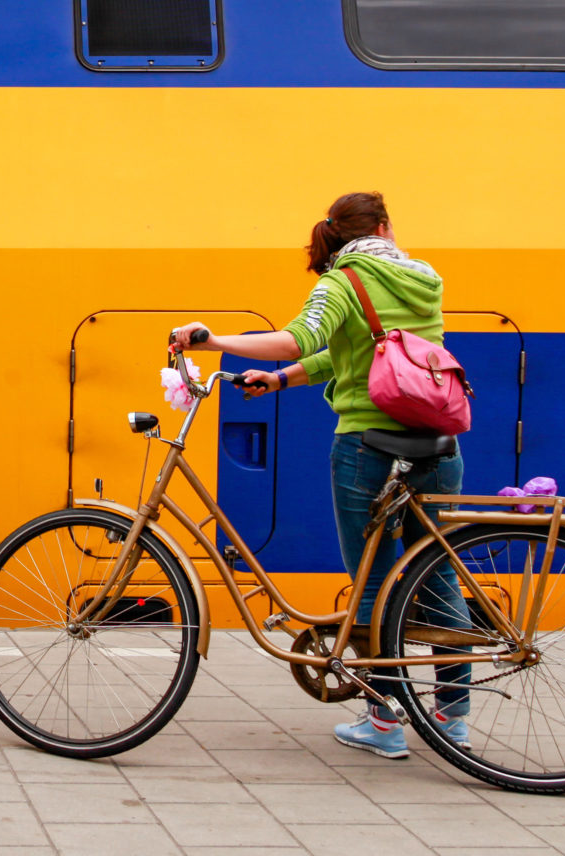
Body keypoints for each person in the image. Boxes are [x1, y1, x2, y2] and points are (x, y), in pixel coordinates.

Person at [173, 191, 471, 759]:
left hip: (369, 446)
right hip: (439, 445)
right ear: (383, 228)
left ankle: (384, 721)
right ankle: (453, 717)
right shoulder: (424, 279)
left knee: (374, 579)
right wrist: (282, 379)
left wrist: (214, 341)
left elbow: (300, 337)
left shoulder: (342, 282)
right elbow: (368, 351)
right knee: (436, 574)